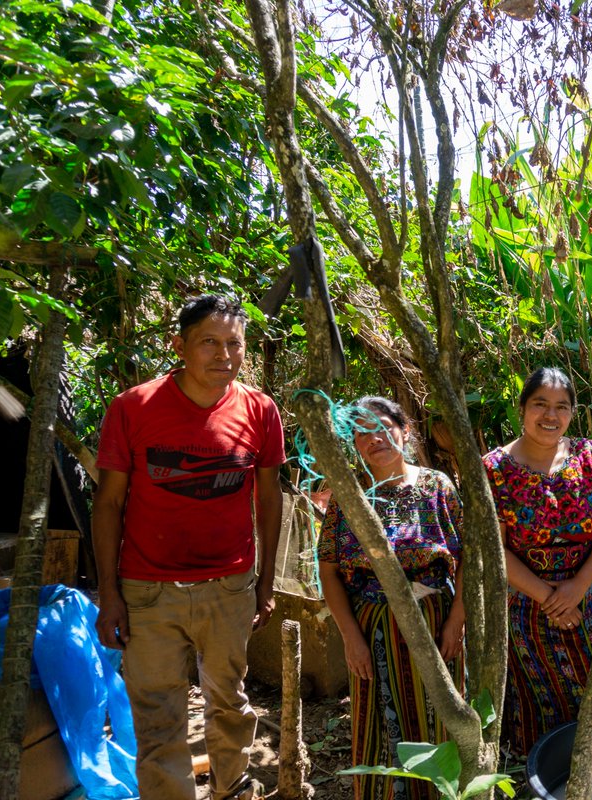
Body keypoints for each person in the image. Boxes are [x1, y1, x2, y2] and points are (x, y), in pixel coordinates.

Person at [94, 294, 284, 800]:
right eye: (209, 342)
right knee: (158, 718)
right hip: (148, 590)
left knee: (231, 702)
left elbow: (269, 499)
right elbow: (108, 504)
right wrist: (110, 594)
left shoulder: (260, 410)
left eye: (234, 344)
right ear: (178, 345)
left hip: (229, 586)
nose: (224, 355)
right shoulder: (133, 407)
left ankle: (231, 788)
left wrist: (265, 583)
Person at [482, 367, 592, 756]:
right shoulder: (492, 469)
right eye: (540, 404)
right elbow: (492, 549)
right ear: (521, 408)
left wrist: (578, 587)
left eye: (562, 407)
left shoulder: (590, 455)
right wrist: (548, 597)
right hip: (527, 605)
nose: (550, 416)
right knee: (544, 706)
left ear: (573, 413)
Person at [317, 396, 466, 800]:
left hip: (434, 620)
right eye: (362, 432)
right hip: (372, 625)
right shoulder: (348, 496)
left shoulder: (437, 485)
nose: (375, 438)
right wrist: (351, 637)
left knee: (439, 715)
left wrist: (456, 620)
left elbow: (469, 556)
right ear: (353, 443)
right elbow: (329, 569)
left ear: (405, 431)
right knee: (378, 723)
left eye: (383, 426)